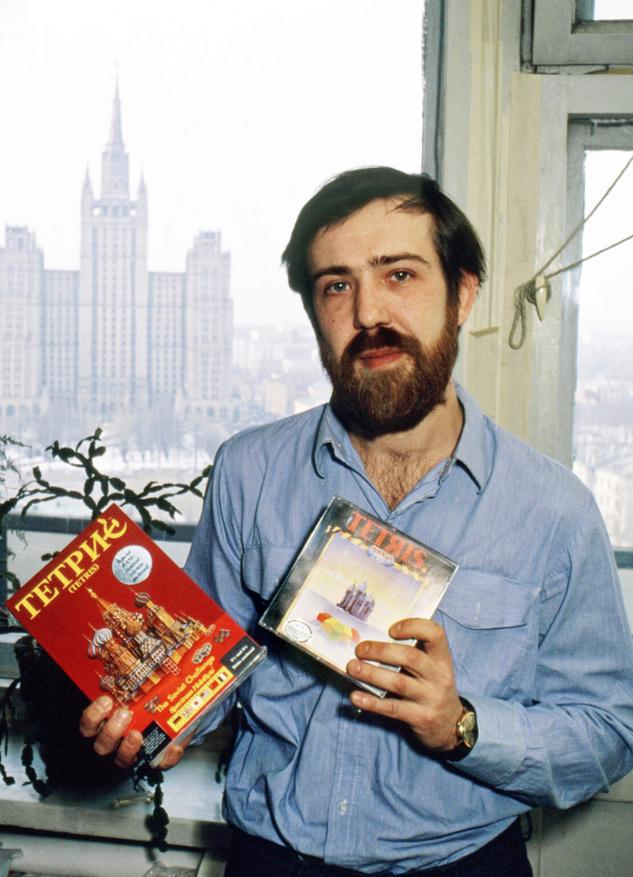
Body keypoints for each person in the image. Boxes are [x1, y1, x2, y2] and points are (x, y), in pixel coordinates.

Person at [80, 167, 633, 876]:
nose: (368, 312)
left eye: (399, 274)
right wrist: (155, 723)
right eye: (336, 285)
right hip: (271, 861)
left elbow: (609, 729)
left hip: (463, 865)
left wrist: (461, 724)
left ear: (462, 293)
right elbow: (207, 674)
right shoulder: (250, 471)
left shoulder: (555, 510)